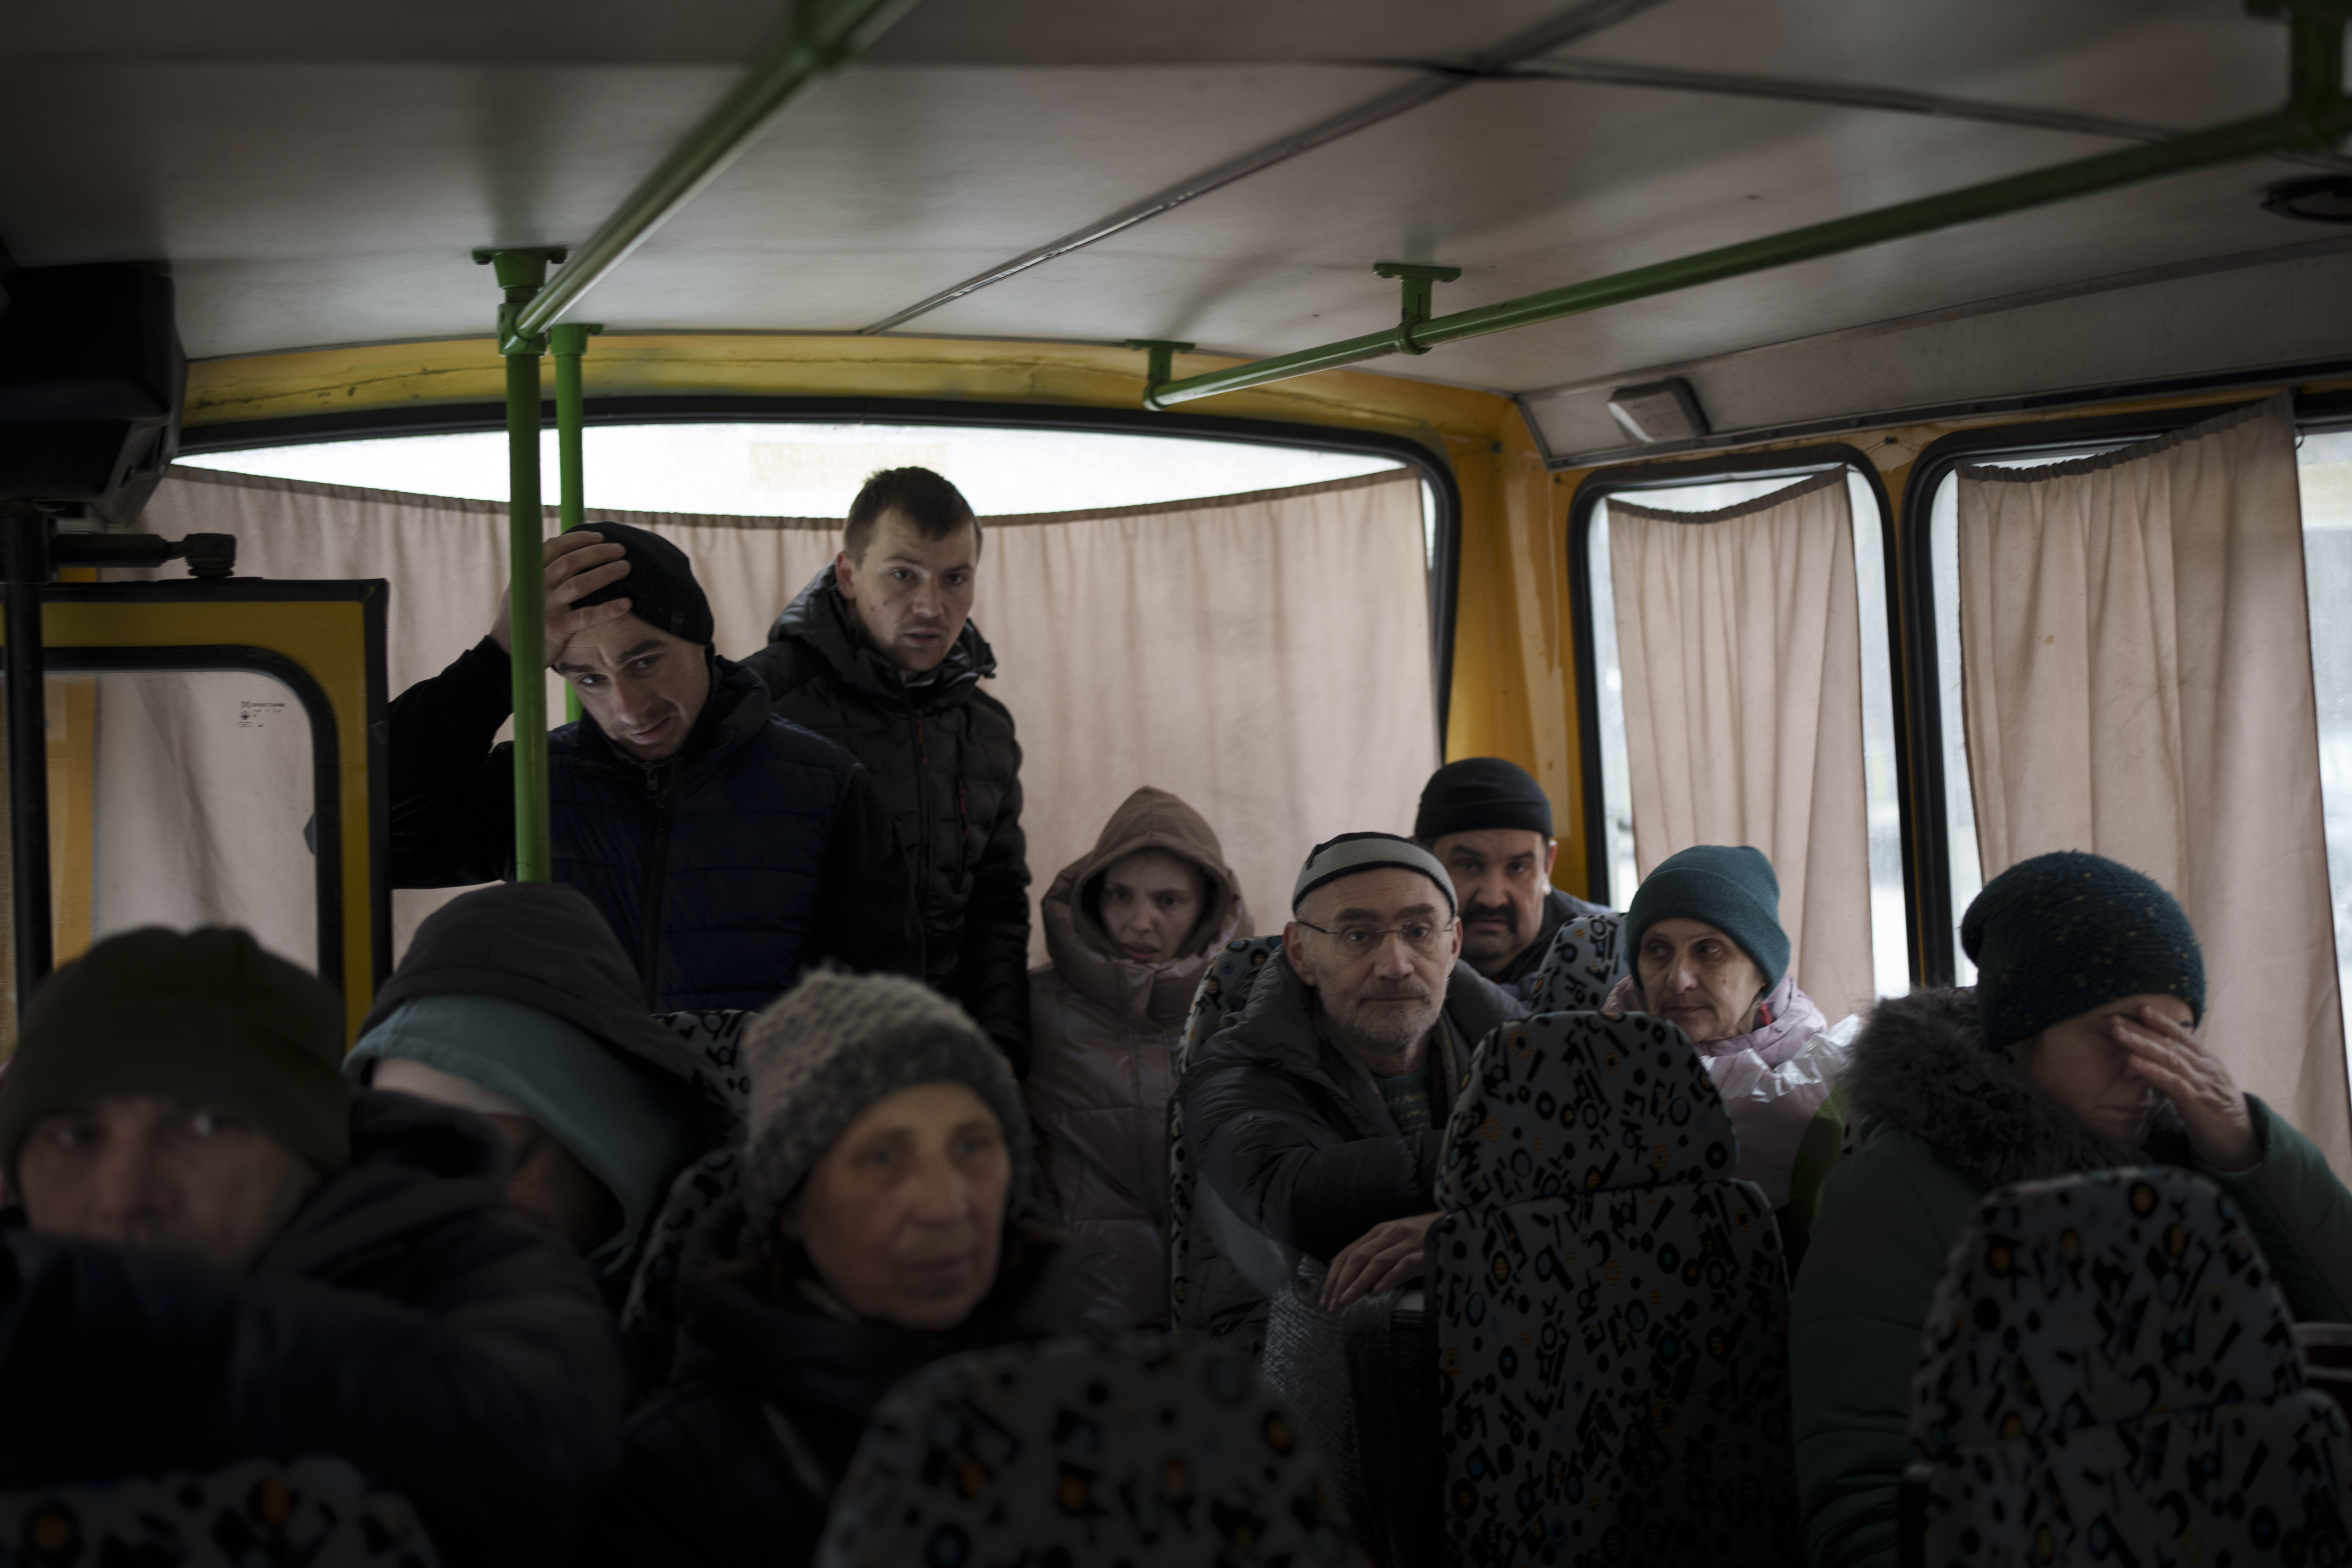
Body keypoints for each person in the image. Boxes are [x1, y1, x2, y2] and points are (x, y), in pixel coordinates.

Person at [1792, 851, 2352, 1568]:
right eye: (2117, 1028)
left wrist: (2248, 1149)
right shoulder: (1891, 1194)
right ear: (2021, 1035)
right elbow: (1863, 1506)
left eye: (2175, 1033)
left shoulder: (2200, 1169)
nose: (2148, 1068)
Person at [0, 926, 625, 1565]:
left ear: (311, 1153)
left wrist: (112, 1322)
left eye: (207, 1124)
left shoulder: (467, 1253)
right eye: (75, 1137)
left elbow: (543, 1451)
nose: (127, 1192)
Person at [586, 971, 1111, 1568]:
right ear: (790, 1207)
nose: (945, 1205)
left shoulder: (1100, 1402)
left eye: (972, 1146)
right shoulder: (678, 1479)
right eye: (884, 1156)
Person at [387, 518, 918, 1013]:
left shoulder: (826, 785)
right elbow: (361, 842)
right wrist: (495, 662)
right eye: (588, 679)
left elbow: (880, 1005)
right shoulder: (533, 782)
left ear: (701, 642)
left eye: (644, 662)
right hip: (584, 1113)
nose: (628, 709)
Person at [1176, 833, 1526, 1349]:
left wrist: (1463, 1233)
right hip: (1300, 1365)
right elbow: (1290, 1193)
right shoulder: (1236, 1065)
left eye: (1418, 931)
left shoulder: (1526, 1046)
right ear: (1300, 952)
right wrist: (1511, 1162)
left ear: (1452, 945)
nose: (1395, 964)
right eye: (1357, 936)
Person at [740, 468, 1032, 1073]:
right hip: (789, 1060)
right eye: (902, 575)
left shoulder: (987, 728)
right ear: (848, 574)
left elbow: (996, 906)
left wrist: (1001, 1046)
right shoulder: (761, 702)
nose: (931, 605)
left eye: (955, 578)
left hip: (935, 1054)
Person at [343, 882, 736, 1319]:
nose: (469, 1208)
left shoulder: (747, 1282)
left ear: (602, 1140)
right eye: (424, 1173)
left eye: (506, 1161)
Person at [1023, 786, 1251, 1330]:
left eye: (1168, 901)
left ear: (1206, 907)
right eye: (1120, 896)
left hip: (1229, 1310)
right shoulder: (1030, 1007)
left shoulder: (1251, 1009)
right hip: (1085, 1310)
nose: (1139, 922)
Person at [1601, 844, 1853, 1208]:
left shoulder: (1823, 1080)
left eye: (1708, 950)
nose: (1678, 979)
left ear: (1762, 970)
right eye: (1657, 950)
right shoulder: (1597, 1065)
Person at [1414, 756, 1610, 996]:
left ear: (1547, 866)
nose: (1493, 899)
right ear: (1418, 863)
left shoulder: (1604, 947)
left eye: (1517, 868)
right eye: (1468, 866)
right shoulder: (1388, 945)